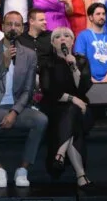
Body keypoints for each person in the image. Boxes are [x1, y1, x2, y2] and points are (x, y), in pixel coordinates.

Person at [0, 11, 48, 188]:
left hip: (17, 109)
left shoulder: (29, 54)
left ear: (22, 29)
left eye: (17, 25)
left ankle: (23, 169)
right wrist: (3, 65)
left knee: (41, 120)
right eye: (9, 24)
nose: (13, 28)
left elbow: (28, 90)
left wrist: (14, 112)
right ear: (2, 27)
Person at [40, 27, 94, 187]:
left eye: (66, 36)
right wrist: (73, 99)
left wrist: (74, 67)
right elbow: (48, 90)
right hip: (55, 107)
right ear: (52, 43)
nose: (62, 39)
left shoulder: (81, 60)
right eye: (57, 37)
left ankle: (60, 154)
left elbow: (83, 88)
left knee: (73, 111)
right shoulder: (47, 62)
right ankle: (81, 175)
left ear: (72, 41)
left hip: (81, 108)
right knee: (72, 116)